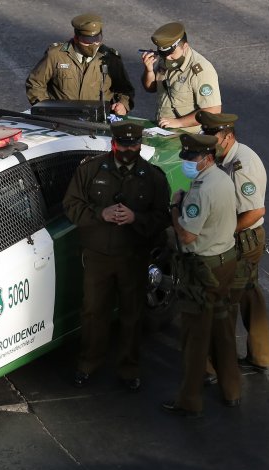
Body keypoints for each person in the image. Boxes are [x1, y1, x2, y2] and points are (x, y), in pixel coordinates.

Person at [63, 121, 170, 391]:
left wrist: (136, 218)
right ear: (114, 144)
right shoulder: (91, 170)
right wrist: (101, 214)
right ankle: (88, 363)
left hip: (133, 256)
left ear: (140, 145)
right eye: (124, 145)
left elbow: (162, 218)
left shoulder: (153, 176)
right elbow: (71, 205)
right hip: (98, 256)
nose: (128, 150)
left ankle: (128, 368)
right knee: (93, 312)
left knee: (132, 314)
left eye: (134, 146)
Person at [162, 134, 240, 417]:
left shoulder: (200, 191)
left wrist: (174, 207)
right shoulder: (221, 179)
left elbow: (187, 235)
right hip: (226, 261)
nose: (187, 163)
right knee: (223, 330)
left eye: (192, 159)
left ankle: (189, 399)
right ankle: (232, 390)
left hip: (203, 268)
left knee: (195, 337)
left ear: (207, 157)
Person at [197, 111, 269, 374]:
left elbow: (255, 211)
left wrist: (224, 234)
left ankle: (221, 365)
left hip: (242, 240)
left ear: (227, 137)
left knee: (225, 302)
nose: (208, 142)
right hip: (244, 238)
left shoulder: (242, 165)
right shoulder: (226, 158)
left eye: (212, 137)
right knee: (250, 294)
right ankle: (261, 357)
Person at [26, 13, 135, 115]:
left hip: (98, 119)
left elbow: (125, 89)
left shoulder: (110, 58)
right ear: (76, 38)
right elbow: (35, 83)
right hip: (62, 119)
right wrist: (45, 108)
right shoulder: (56, 55)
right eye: (88, 40)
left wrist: (123, 104)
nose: (93, 44)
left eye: (97, 39)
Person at [140, 22, 221, 131]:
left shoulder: (200, 70)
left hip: (190, 136)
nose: (168, 58)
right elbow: (151, 88)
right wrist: (149, 70)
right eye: (164, 54)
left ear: (185, 46)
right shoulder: (166, 58)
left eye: (172, 53)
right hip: (164, 130)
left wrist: (179, 122)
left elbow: (213, 110)